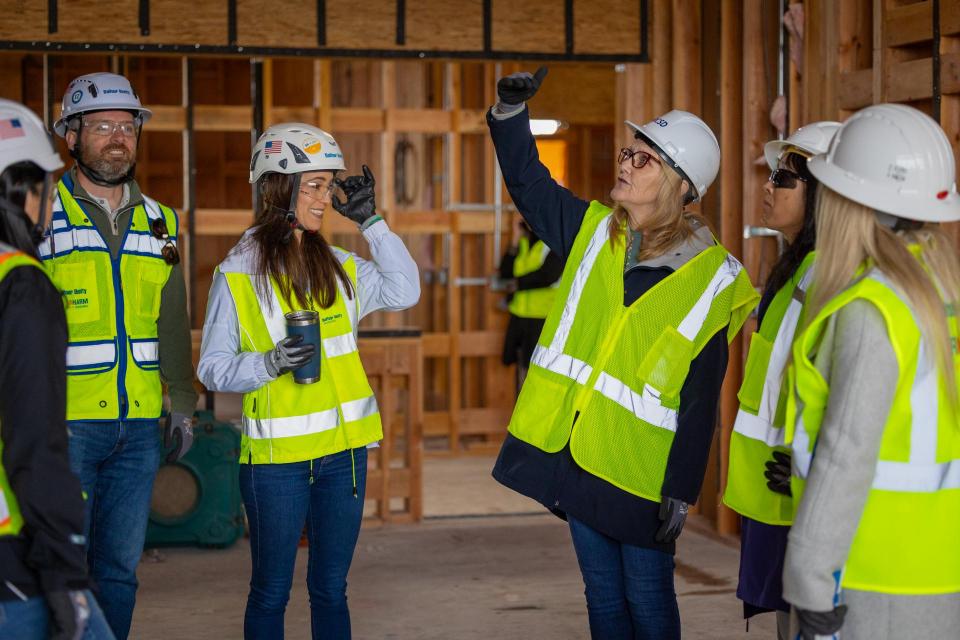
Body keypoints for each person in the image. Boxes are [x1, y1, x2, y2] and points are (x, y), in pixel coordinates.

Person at [487, 67, 758, 639]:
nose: (625, 165)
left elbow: (702, 396)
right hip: (581, 459)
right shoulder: (593, 232)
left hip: (643, 476)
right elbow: (529, 185)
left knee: (650, 606)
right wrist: (511, 116)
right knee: (604, 603)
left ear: (682, 186)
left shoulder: (712, 277)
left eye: (643, 159)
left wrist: (683, 489)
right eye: (626, 153)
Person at [197, 122, 419, 640]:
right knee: (271, 590)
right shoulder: (237, 275)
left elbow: (404, 289)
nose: (326, 198)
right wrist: (269, 363)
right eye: (315, 185)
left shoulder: (338, 265)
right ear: (278, 187)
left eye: (328, 184)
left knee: (330, 588)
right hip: (277, 463)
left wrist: (373, 222)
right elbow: (212, 366)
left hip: (344, 457)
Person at [782, 103, 960, 639]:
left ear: (845, 199)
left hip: (869, 576)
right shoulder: (941, 296)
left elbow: (847, 457)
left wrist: (810, 581)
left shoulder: (873, 310)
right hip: (938, 571)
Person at [40, 72, 198, 639]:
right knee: (59, 570)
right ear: (71, 136)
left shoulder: (161, 221)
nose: (117, 138)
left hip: (136, 426)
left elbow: (172, 321)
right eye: (102, 126)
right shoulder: (37, 216)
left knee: (119, 572)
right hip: (64, 427)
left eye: (127, 127)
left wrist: (181, 398)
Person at [0, 99, 115, 639]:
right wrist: (66, 573)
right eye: (46, 186)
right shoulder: (20, 284)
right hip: (17, 554)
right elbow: (34, 441)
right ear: (22, 190)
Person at [721, 121, 839, 639]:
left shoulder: (830, 275)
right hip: (775, 484)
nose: (767, 187)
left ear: (824, 196)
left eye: (783, 180)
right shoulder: (793, 269)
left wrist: (808, 457)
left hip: (798, 484)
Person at [497, 215, 563, 391]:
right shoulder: (524, 243)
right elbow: (504, 272)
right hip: (519, 317)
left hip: (542, 320)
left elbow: (547, 275)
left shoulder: (554, 243)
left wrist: (517, 284)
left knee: (534, 375)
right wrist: (514, 239)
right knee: (519, 372)